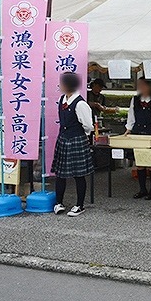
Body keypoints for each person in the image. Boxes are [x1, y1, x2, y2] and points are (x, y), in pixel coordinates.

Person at [52, 73, 94, 217]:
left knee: (78, 174)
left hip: (76, 139)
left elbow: (88, 125)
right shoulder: (62, 99)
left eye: (61, 83)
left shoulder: (80, 103)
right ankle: (59, 202)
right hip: (63, 138)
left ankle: (79, 205)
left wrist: (82, 136)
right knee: (60, 173)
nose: (60, 86)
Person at [124, 78, 151, 200]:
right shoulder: (134, 99)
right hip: (137, 133)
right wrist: (128, 129)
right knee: (140, 163)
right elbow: (131, 115)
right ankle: (142, 189)